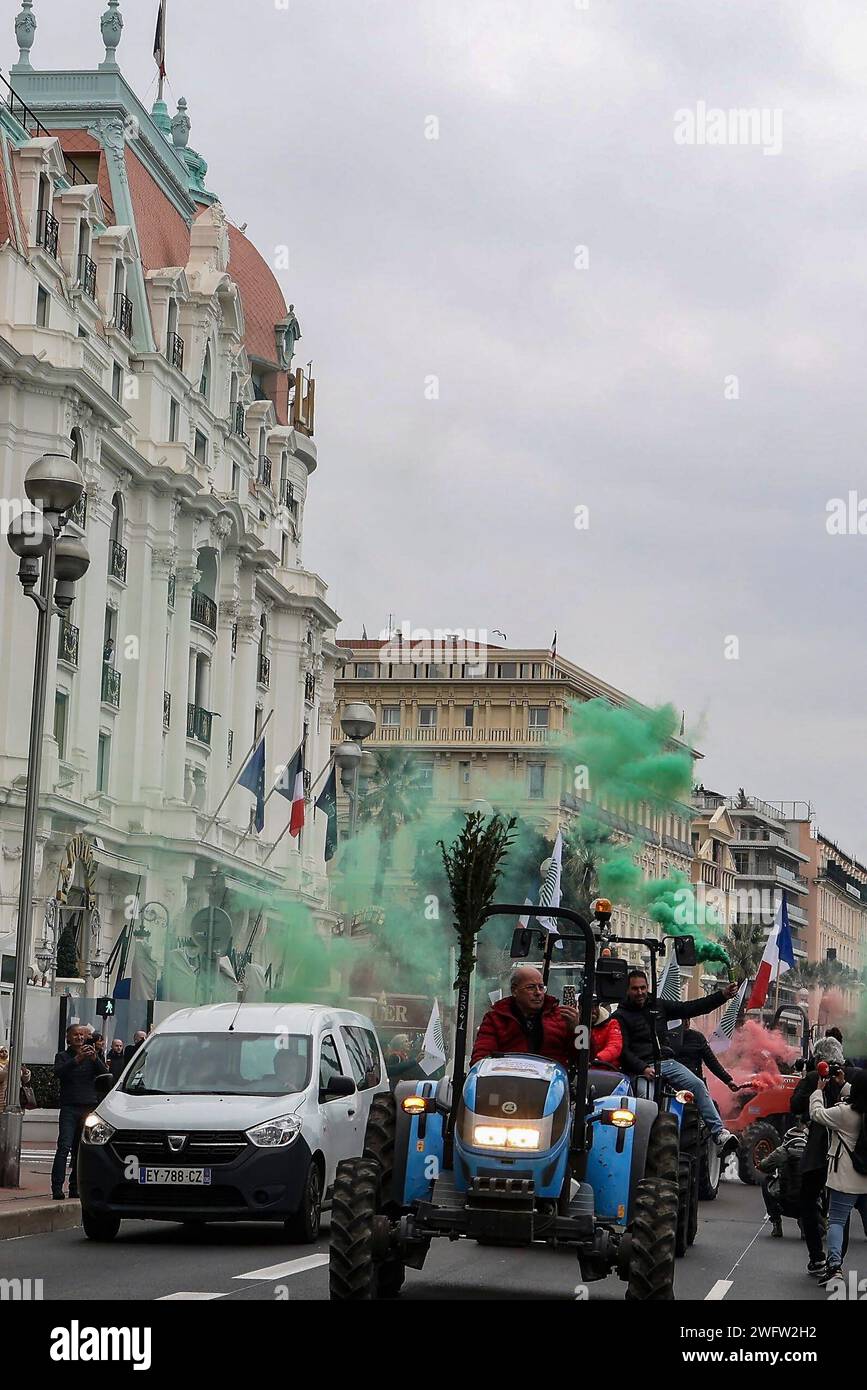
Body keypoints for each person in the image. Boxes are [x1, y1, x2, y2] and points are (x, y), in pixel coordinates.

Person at [615, 969, 739, 1145]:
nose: (640, 992)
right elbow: (623, 1050)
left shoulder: (658, 1006)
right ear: (628, 990)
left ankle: (719, 1133)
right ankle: (641, 1142)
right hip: (640, 1069)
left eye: (643, 988)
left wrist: (722, 996)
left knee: (697, 1085)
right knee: (646, 1103)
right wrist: (642, 1067)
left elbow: (691, 1007)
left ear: (648, 987)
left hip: (665, 1063)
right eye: (635, 989)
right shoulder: (621, 1016)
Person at [790, 1034, 853, 1275]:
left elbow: (794, 1105)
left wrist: (811, 1084)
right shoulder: (851, 1075)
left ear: (819, 1060)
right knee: (841, 1208)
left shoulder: (817, 1078)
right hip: (845, 1154)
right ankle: (836, 1260)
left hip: (818, 1151)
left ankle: (817, 1257)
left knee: (807, 1201)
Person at [810, 1067, 867, 1285]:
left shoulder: (844, 1114)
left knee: (836, 1221)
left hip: (845, 1179)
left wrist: (818, 1091)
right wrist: (844, 1084)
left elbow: (817, 1114)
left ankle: (834, 1268)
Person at [471, 965, 580, 1067]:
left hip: (552, 1084)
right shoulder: (495, 1019)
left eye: (541, 987)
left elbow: (586, 1056)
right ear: (514, 990)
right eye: (531, 987)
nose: (538, 993)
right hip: (508, 1082)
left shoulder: (562, 1017)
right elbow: (480, 1059)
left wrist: (579, 1028)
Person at [51, 1023, 110, 1201]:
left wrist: (94, 1059)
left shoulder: (93, 1055)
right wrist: (77, 1059)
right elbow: (58, 1073)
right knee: (64, 1146)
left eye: (82, 1035)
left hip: (88, 1107)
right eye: (75, 1035)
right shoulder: (62, 1056)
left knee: (80, 1149)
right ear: (68, 1038)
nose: (79, 1038)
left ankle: (75, 1186)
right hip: (69, 1107)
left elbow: (106, 1075)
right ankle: (56, 1187)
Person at [757, 1118, 809, 1237]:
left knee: (766, 1182)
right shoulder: (812, 1151)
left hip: (785, 1200)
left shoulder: (782, 1151)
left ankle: (776, 1223)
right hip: (809, 1201)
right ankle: (811, 1223)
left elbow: (763, 1166)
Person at [674, 1026, 739, 1092]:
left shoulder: (697, 1037)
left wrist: (728, 1080)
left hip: (695, 1085)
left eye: (687, 1019)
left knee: (706, 1101)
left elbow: (711, 1061)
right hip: (669, 1085)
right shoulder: (665, 1036)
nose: (686, 1022)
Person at [589, 1003, 623, 1068]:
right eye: (589, 1007)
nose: (593, 1011)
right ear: (580, 1008)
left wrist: (598, 1059)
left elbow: (615, 1046)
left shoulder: (611, 1023)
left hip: (606, 1070)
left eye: (595, 1006)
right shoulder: (575, 1025)